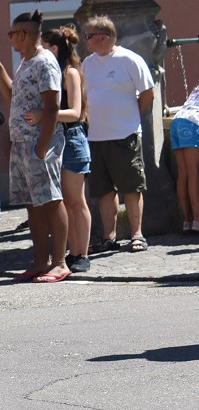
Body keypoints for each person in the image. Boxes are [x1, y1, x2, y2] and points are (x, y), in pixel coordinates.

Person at [0, 10, 70, 283]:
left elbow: (53, 106)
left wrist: (42, 147)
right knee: (33, 204)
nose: (9, 38)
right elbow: (12, 96)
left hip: (38, 144)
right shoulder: (25, 62)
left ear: (23, 35)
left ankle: (60, 263)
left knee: (51, 200)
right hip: (22, 144)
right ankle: (39, 261)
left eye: (11, 34)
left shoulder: (45, 62)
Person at [82, 15, 155, 253]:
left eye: (88, 36)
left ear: (103, 37)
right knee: (103, 190)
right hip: (96, 136)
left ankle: (137, 234)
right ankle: (108, 236)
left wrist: (129, 116)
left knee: (131, 187)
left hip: (125, 134)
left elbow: (148, 93)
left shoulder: (130, 59)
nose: (86, 41)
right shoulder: (88, 63)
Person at [42, 25, 93, 272]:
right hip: (56, 139)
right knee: (65, 201)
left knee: (76, 201)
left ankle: (82, 253)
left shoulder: (70, 72)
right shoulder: (51, 72)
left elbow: (74, 112)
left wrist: (45, 115)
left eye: (43, 47)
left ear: (54, 48)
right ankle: (73, 253)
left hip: (72, 138)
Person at [171, 83, 199, 233]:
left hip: (177, 121)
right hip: (193, 122)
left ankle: (187, 221)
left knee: (183, 174)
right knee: (193, 172)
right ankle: (197, 219)